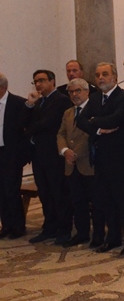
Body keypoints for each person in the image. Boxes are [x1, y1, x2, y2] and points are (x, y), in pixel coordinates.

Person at [78, 62, 124, 254]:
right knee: (105, 200)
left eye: (105, 74)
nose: (101, 78)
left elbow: (116, 119)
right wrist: (98, 128)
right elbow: (80, 120)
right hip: (101, 156)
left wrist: (94, 121)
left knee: (122, 200)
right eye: (97, 75)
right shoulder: (95, 98)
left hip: (121, 157)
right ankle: (113, 238)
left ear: (114, 77)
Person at [25, 69, 73, 243]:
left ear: (52, 81)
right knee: (45, 193)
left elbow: (47, 124)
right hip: (39, 155)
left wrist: (28, 130)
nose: (38, 84)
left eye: (42, 80)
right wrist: (30, 105)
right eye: (35, 81)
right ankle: (50, 226)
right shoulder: (39, 102)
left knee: (58, 192)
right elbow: (26, 121)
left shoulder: (61, 100)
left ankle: (64, 229)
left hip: (54, 155)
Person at [56, 78, 96, 246]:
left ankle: (100, 233)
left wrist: (75, 153)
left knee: (96, 201)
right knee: (77, 201)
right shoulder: (68, 113)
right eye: (71, 92)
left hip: (88, 163)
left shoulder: (95, 110)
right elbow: (61, 134)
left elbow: (89, 135)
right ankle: (82, 233)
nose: (74, 95)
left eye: (78, 91)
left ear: (87, 92)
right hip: (71, 164)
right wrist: (65, 151)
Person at [0, 73, 31, 240]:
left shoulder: (18, 103)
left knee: (12, 191)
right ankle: (6, 225)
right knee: (1, 192)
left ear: (3, 88)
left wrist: (22, 155)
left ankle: (18, 226)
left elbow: (25, 131)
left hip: (11, 154)